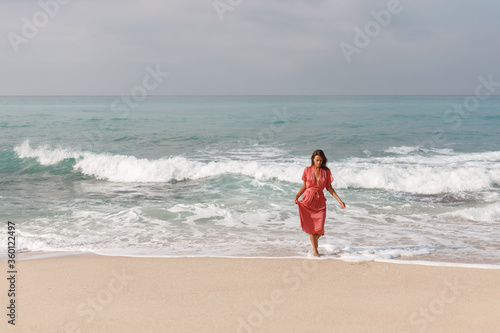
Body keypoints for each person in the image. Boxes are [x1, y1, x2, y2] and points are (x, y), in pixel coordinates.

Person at [294, 149, 345, 256]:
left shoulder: (326, 172)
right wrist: (297, 196)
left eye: (321, 161)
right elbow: (304, 186)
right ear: (313, 159)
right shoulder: (307, 170)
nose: (319, 163)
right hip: (308, 199)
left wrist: (340, 201)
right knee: (312, 228)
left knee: (319, 228)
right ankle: (315, 251)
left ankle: (315, 242)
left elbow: (330, 188)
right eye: (317, 160)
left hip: (320, 201)